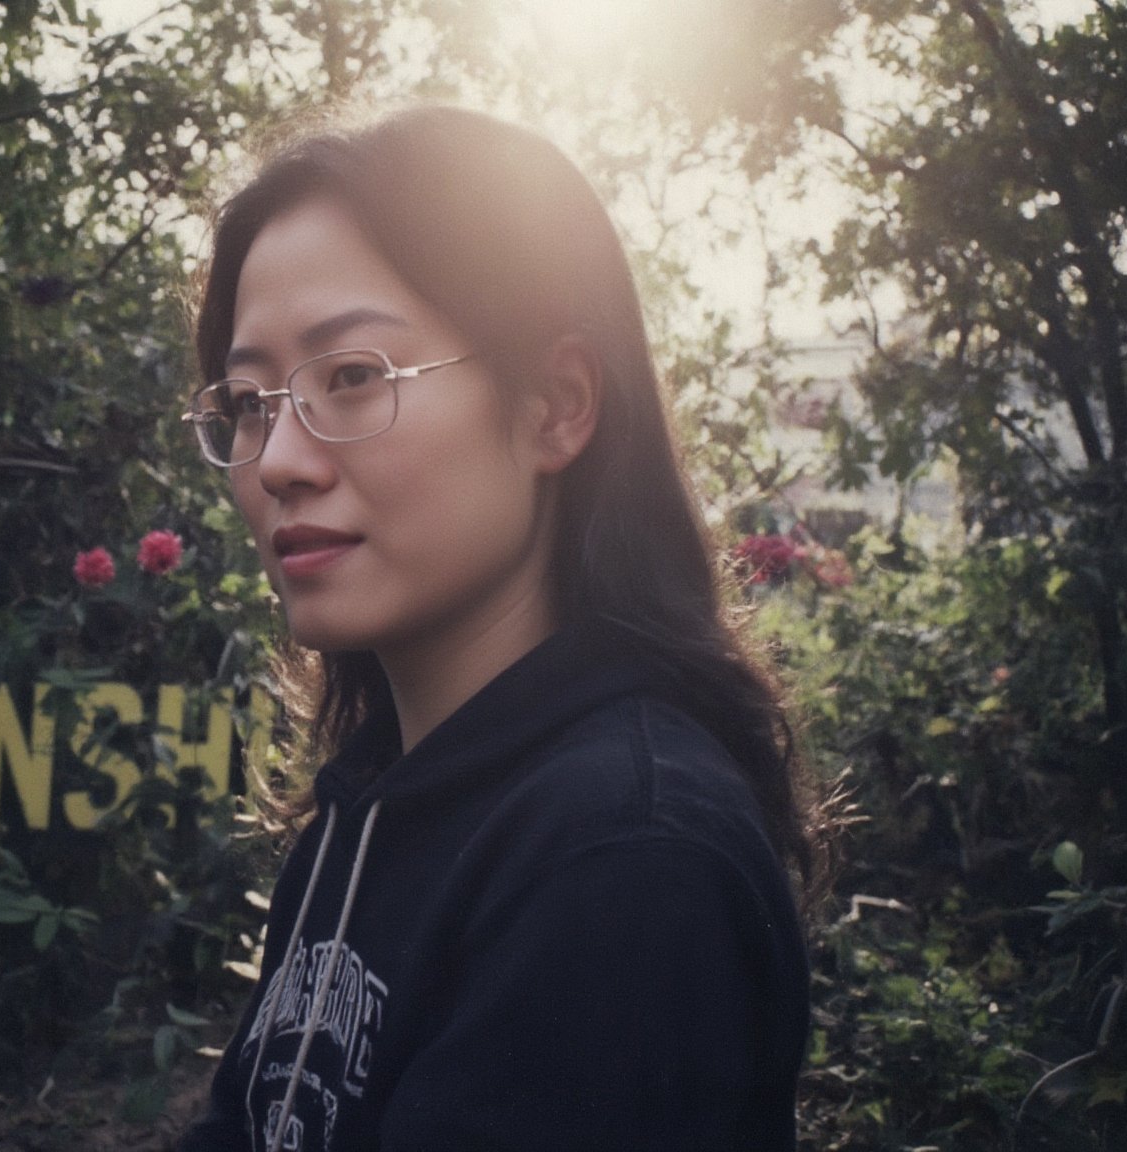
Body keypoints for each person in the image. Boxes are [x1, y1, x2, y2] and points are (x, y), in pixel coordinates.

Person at [177, 105, 818, 1152]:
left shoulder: (622, 860)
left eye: (353, 377)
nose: (278, 460)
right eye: (248, 402)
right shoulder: (373, 804)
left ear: (555, 407)